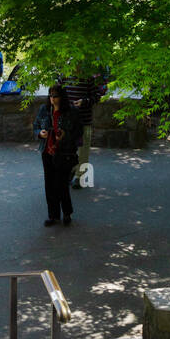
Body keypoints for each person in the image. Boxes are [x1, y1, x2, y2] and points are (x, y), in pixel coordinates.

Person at [32, 85, 81, 227]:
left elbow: (79, 131)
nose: (52, 99)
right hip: (47, 151)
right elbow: (36, 126)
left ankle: (66, 213)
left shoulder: (71, 111)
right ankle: (53, 215)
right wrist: (40, 133)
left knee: (61, 184)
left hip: (64, 152)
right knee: (49, 184)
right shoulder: (45, 110)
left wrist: (65, 135)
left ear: (62, 97)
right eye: (50, 96)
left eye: (55, 96)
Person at [60, 66, 110, 189]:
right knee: (67, 150)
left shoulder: (88, 79)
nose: (76, 66)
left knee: (83, 151)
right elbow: (58, 95)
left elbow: (96, 97)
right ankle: (71, 171)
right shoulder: (64, 77)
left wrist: (84, 101)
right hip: (68, 122)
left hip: (84, 121)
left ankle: (79, 177)